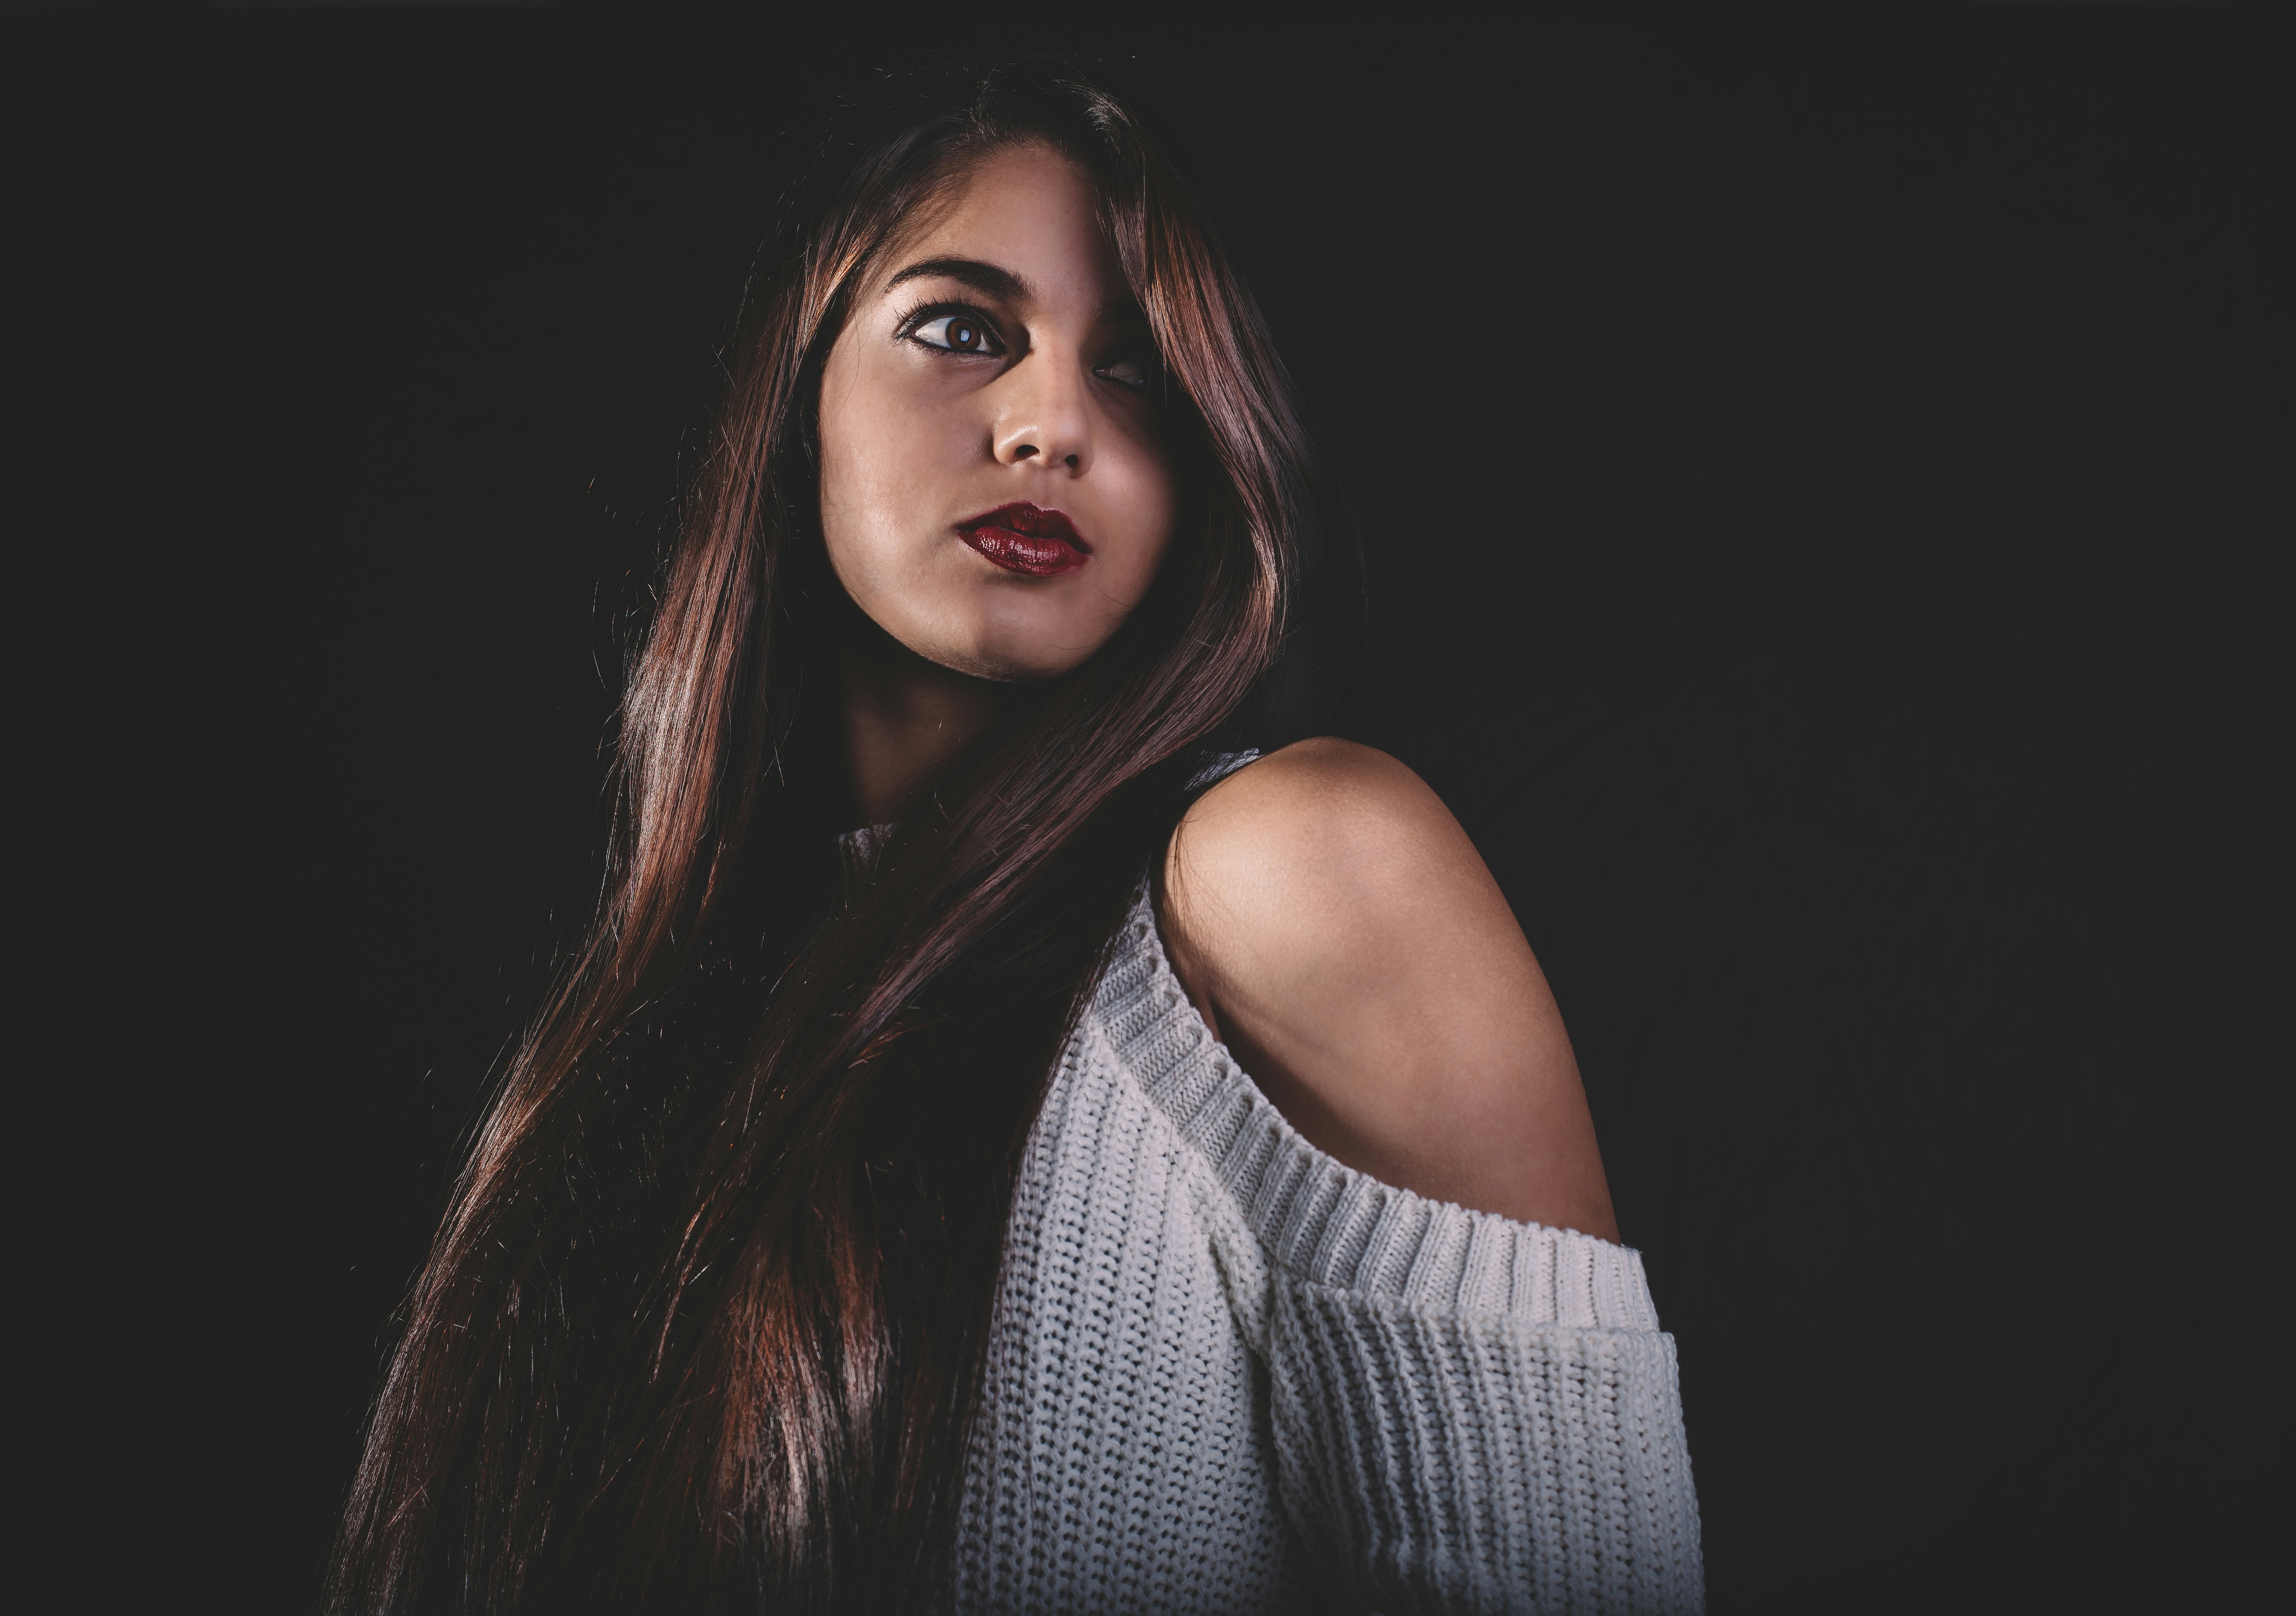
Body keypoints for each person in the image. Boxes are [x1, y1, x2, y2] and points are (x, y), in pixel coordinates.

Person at [330, 59, 1702, 1616]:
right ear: (796, 392)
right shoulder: (645, 1014)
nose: (1051, 424)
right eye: (962, 330)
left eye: (1138, 373)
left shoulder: (1287, 871)